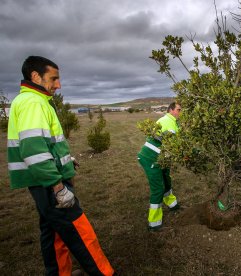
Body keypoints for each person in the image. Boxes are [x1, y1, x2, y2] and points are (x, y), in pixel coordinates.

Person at [7, 56, 114, 276]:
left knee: (52, 232)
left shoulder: (28, 100)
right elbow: (34, 151)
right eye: (53, 78)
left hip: (41, 182)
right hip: (49, 184)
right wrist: (58, 187)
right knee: (80, 233)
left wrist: (66, 159)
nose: (58, 85)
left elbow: (45, 144)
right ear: (35, 76)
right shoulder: (33, 103)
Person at [138, 102, 181, 232]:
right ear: (171, 110)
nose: (180, 112)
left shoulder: (172, 121)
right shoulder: (167, 121)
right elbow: (175, 144)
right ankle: (154, 223)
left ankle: (172, 204)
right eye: (178, 110)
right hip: (151, 158)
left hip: (162, 158)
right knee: (158, 188)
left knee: (167, 179)